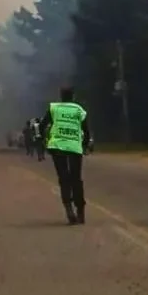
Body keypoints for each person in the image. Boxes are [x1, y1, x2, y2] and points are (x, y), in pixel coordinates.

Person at [41, 87, 91, 225]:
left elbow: (42, 126)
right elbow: (86, 131)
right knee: (76, 179)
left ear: (61, 97)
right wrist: (85, 146)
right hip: (75, 147)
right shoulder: (79, 110)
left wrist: (44, 139)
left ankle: (69, 210)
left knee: (64, 178)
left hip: (57, 147)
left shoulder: (54, 108)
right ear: (73, 96)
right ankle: (80, 212)